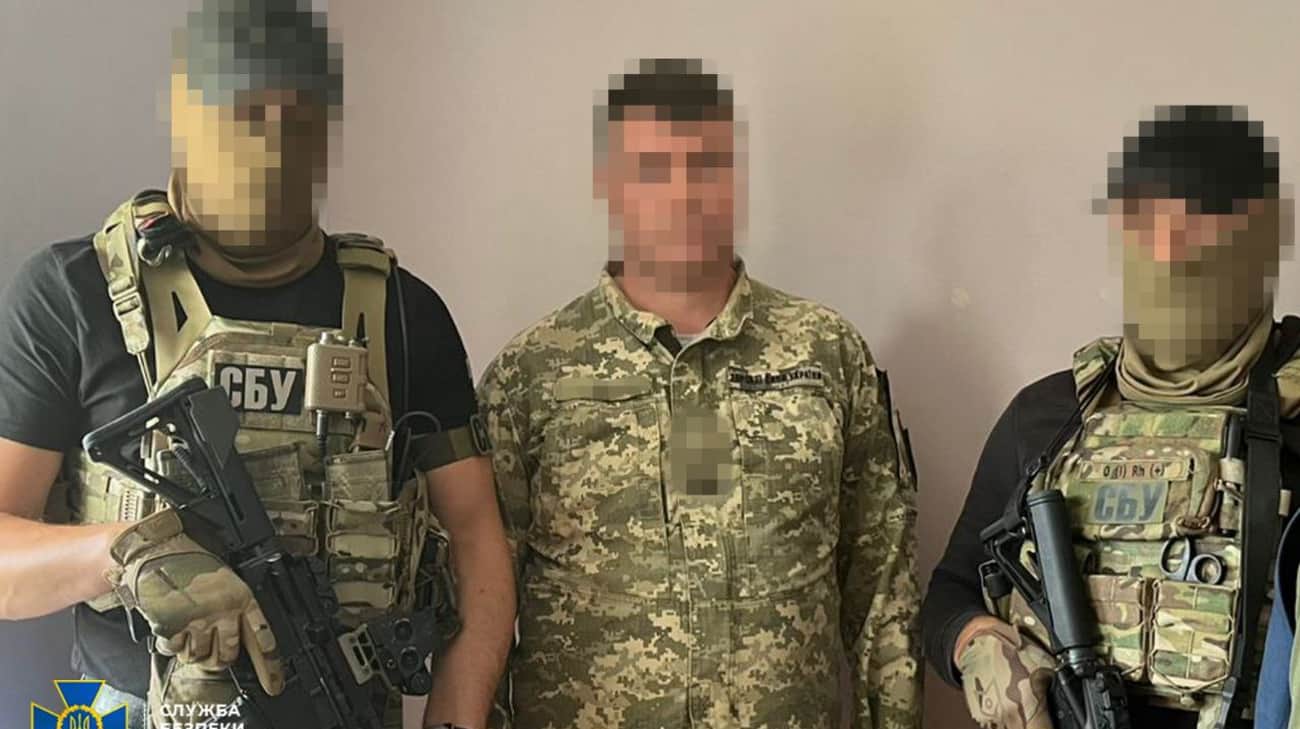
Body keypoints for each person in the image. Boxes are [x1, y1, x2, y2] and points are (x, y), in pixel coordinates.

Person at [0, 1, 514, 727]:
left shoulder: (400, 311)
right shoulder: (74, 294)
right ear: (186, 111)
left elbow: (476, 540)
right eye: (243, 110)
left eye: (295, 117)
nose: (270, 140)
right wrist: (128, 554)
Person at [476, 57, 922, 729]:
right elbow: (478, 601)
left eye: (706, 166)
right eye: (653, 169)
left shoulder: (826, 353)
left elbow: (882, 588)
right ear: (610, 185)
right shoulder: (533, 374)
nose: (683, 194)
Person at [922, 104, 1296, 729]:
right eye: (1149, 226)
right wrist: (977, 643)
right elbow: (951, 589)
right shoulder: (1048, 415)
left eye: (1201, 221)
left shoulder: (1293, 408)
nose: (1171, 254)